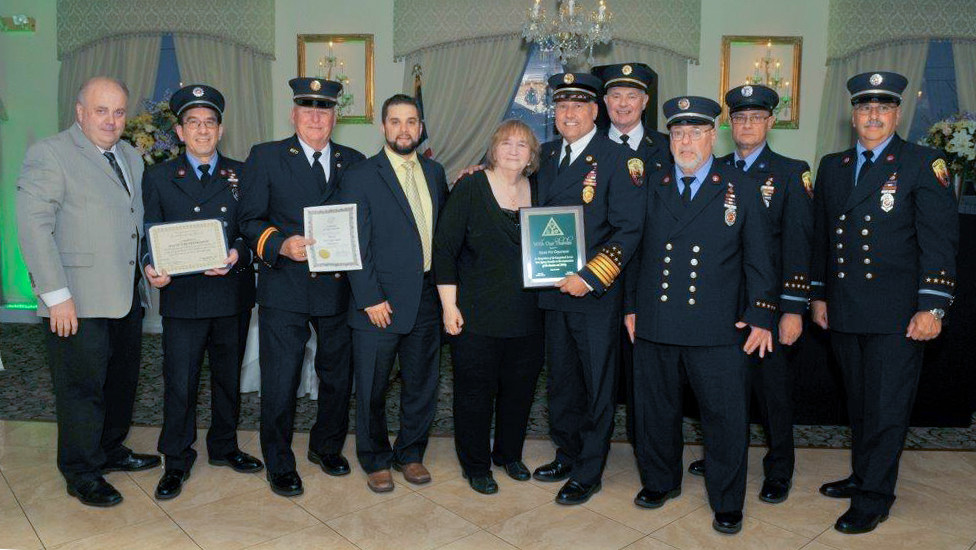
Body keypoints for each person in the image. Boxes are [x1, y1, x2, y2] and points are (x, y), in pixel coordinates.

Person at [810, 71, 958, 534]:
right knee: (859, 403)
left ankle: (874, 498)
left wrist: (933, 307)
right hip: (845, 308)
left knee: (887, 408)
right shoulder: (833, 165)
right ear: (852, 115)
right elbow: (822, 238)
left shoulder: (923, 162)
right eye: (864, 107)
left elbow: (939, 241)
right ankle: (863, 475)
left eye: (883, 107)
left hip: (898, 314)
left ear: (897, 113)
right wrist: (819, 293)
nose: (872, 115)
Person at [624, 95, 776, 534]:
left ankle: (727, 500)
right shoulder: (651, 184)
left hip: (718, 326)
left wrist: (762, 314)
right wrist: (630, 306)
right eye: (677, 133)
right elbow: (633, 251)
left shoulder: (740, 187)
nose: (685, 142)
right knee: (655, 410)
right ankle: (659, 481)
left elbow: (760, 259)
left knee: (725, 418)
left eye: (695, 132)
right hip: (656, 318)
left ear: (713, 136)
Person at [16, 76, 159, 507]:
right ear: (80, 112)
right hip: (75, 301)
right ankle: (80, 470)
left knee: (120, 383)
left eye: (119, 112)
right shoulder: (50, 153)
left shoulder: (130, 156)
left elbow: (134, 223)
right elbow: (33, 227)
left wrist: (149, 265)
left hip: (126, 297)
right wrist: (55, 295)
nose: (111, 120)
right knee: (81, 390)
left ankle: (110, 449)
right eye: (101, 110)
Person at [686, 84, 813, 505]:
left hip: (768, 307)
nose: (746, 125)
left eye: (756, 117)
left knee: (773, 394)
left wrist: (792, 310)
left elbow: (798, 245)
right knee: (723, 393)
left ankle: (779, 468)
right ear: (728, 123)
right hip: (721, 307)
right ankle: (724, 456)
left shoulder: (791, 173)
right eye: (739, 117)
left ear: (770, 122)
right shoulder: (713, 168)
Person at [238, 77, 365, 497]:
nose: (315, 118)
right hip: (286, 287)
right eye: (307, 109)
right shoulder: (266, 157)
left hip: (338, 289)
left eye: (324, 110)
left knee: (337, 376)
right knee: (281, 379)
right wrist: (279, 244)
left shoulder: (354, 161)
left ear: (335, 117)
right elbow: (249, 219)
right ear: (293, 115)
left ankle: (326, 446)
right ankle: (279, 462)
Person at [141, 85, 262, 500]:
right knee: (180, 381)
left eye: (210, 122)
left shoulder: (243, 173)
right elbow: (149, 230)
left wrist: (238, 253)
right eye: (193, 122)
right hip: (183, 296)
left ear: (221, 129)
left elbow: (252, 228)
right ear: (179, 131)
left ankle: (224, 446)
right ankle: (176, 459)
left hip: (230, 293)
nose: (202, 129)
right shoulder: (159, 176)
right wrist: (150, 265)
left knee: (227, 378)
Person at [530, 73, 645, 505]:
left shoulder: (619, 159)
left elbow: (629, 229)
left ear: (595, 111)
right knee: (561, 381)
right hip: (551, 289)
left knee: (596, 384)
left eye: (578, 106)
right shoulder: (544, 156)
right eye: (561, 106)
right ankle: (567, 453)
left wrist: (591, 277)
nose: (569, 114)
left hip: (595, 293)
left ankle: (589, 469)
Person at [339, 94, 449, 493]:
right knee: (372, 386)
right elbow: (354, 241)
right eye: (396, 121)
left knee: (422, 384)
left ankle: (411, 453)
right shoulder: (360, 175)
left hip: (426, 297)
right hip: (378, 301)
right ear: (383, 127)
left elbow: (442, 235)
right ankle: (375, 458)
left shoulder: (435, 172)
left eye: (412, 121)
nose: (404, 129)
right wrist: (369, 297)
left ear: (421, 127)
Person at [433, 119, 545, 495]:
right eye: (506, 143)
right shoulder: (470, 187)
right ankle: (476, 464)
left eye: (522, 145)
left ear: (532, 155)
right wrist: (449, 307)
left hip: (528, 317)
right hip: (476, 317)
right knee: (474, 394)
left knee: (520, 391)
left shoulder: (540, 190)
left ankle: (508, 455)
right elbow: (444, 250)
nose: (513, 150)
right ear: (493, 150)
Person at [590, 62, 671, 445]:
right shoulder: (586, 145)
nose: (623, 104)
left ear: (645, 101)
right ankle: (586, 453)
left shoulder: (670, 147)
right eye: (616, 96)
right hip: (597, 277)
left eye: (632, 96)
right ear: (604, 102)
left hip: (653, 276)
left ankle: (648, 453)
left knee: (647, 372)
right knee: (594, 370)